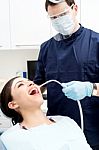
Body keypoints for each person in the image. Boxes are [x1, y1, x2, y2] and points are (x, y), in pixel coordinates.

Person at [33, 0, 99, 149]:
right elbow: (39, 85)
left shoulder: (96, 43)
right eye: (53, 18)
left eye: (62, 15)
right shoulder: (46, 48)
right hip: (58, 130)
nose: (59, 21)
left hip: (91, 130)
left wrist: (90, 88)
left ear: (75, 8)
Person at [0, 76, 92, 150]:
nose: (31, 83)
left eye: (29, 81)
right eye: (20, 85)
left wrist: (93, 89)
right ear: (13, 104)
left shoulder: (67, 122)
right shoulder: (10, 139)